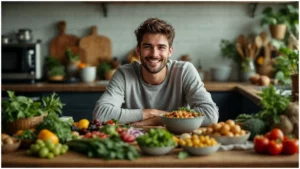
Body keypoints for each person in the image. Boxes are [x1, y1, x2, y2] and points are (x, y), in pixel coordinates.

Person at [93, 18, 219, 126]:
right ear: (138, 51)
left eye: (161, 47)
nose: (154, 54)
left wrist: (159, 118)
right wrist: (150, 113)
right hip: (134, 142)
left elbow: (210, 115)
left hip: (179, 143)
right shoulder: (124, 74)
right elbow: (101, 115)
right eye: (147, 47)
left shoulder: (184, 71)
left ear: (170, 51)